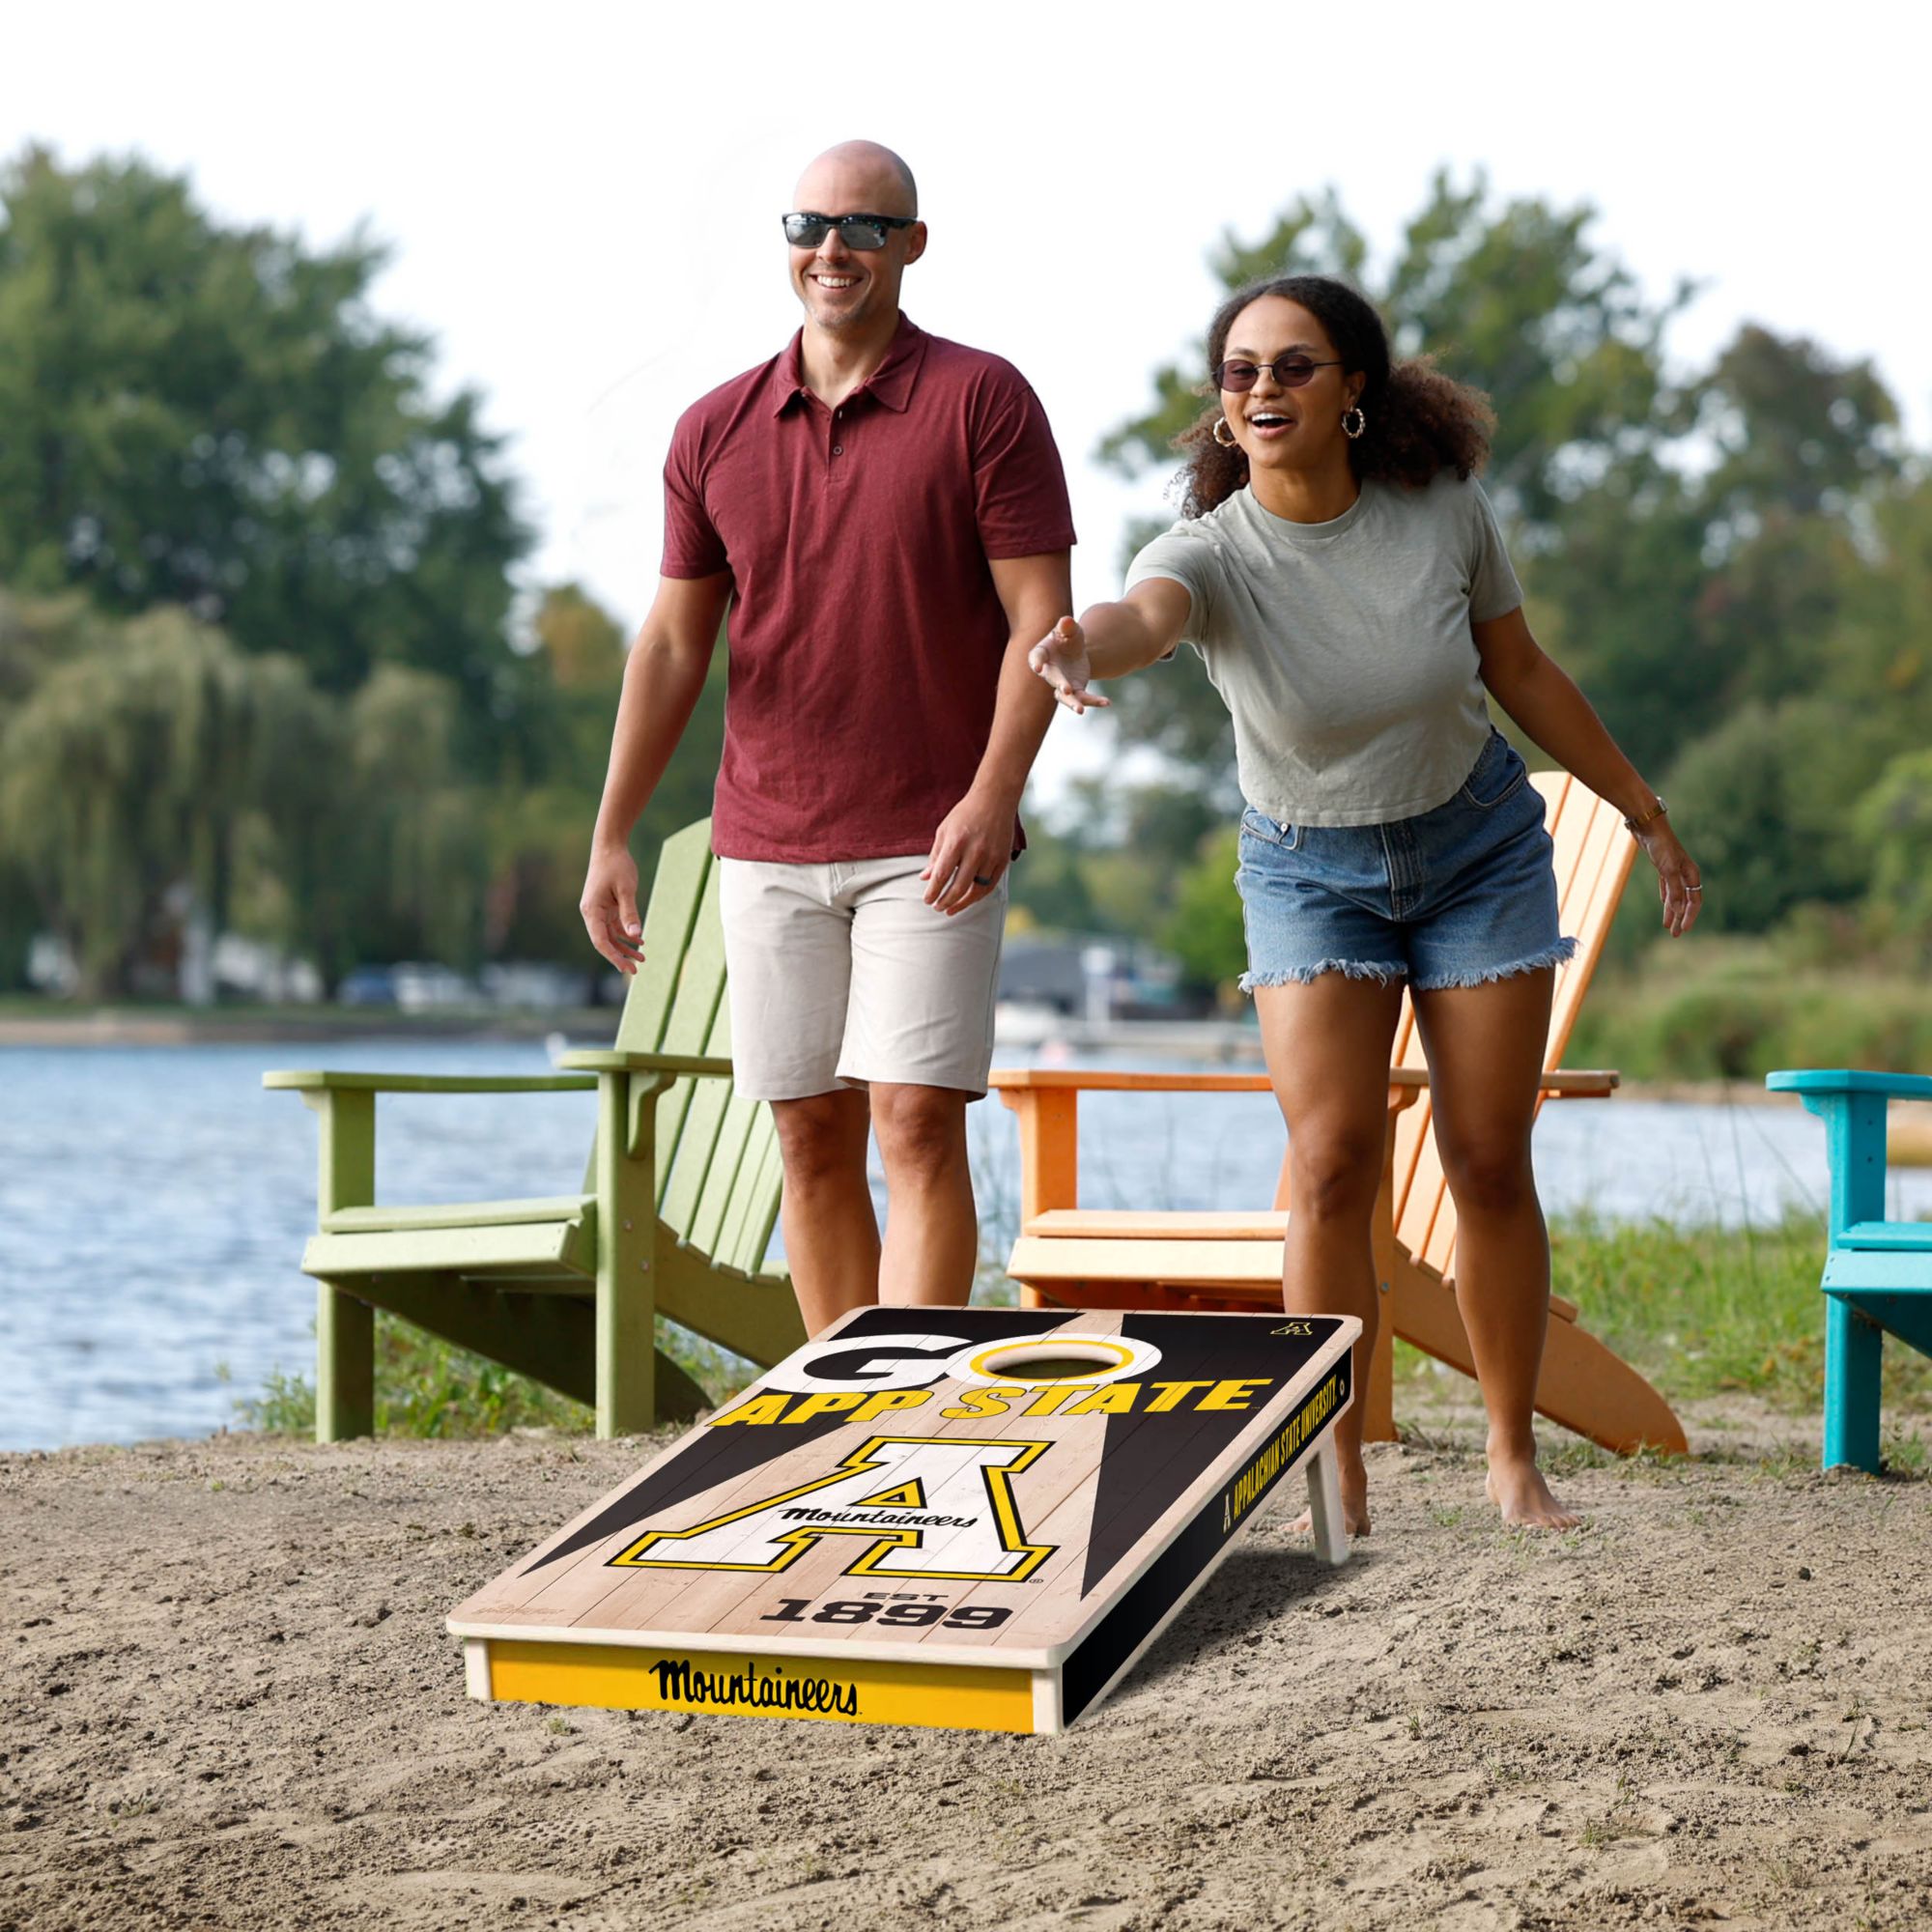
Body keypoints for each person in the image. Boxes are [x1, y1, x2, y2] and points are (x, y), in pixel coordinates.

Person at [1028, 274, 1701, 1532]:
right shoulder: (1210, 552)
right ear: (1222, 411)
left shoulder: (1441, 512)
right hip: (1306, 872)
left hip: (1479, 854)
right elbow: (1141, 617)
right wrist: (1079, 648)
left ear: (1352, 391)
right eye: (1241, 372)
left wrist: (1638, 805)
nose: (1264, 389)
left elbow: (1521, 669)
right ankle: (1332, 1462)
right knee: (1332, 1162)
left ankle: (1511, 1459)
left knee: (1488, 1160)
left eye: (1293, 366)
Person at [579, 141, 1074, 1338]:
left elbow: (1040, 626)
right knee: (807, 1131)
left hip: (933, 836)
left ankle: (914, 1411)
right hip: (768, 836)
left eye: (863, 226)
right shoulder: (713, 428)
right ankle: (840, 1418)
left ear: (912, 243)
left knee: (913, 1118)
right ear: (787, 241)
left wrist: (992, 793)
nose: (832, 249)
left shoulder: (980, 400)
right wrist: (609, 835)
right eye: (811, 224)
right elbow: (668, 649)